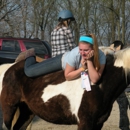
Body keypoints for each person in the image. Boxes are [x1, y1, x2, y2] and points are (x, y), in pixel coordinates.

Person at [15, 34, 106, 84]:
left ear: (93, 48)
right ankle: (30, 54)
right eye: (80, 49)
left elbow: (95, 79)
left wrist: (89, 61)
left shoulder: (101, 56)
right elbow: (67, 76)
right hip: (62, 61)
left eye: (86, 50)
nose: (82, 53)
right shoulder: (74, 53)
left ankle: (42, 61)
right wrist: (82, 68)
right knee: (29, 72)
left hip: (74, 64)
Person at [111, 40, 130, 130]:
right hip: (123, 89)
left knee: (123, 109)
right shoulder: (120, 56)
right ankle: (124, 127)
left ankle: (124, 127)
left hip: (122, 89)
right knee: (123, 109)